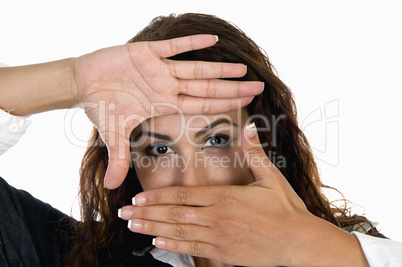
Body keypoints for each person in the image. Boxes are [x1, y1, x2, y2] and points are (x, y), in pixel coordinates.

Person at [0, 13, 401, 267]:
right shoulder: (72, 257)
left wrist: (317, 252)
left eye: (217, 141)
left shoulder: (349, 255)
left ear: (268, 141)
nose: (191, 183)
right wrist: (69, 81)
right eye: (158, 149)